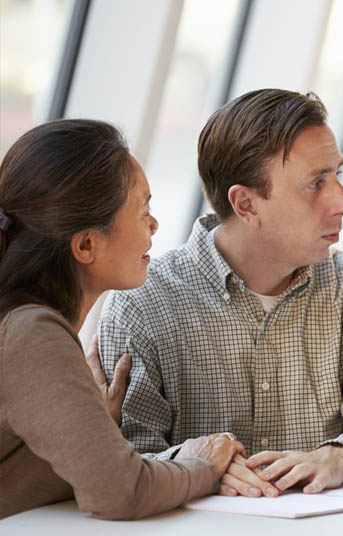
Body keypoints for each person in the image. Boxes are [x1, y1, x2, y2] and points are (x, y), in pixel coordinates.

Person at [99, 89, 343, 498]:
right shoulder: (142, 305)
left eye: (337, 175)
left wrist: (339, 456)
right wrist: (197, 467)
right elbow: (121, 461)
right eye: (316, 183)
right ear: (246, 205)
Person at [0, 120, 245, 520]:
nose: (154, 225)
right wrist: (203, 465)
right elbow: (122, 492)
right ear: (86, 245)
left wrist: (93, 426)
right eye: (143, 211)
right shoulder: (31, 334)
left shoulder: (24, 325)